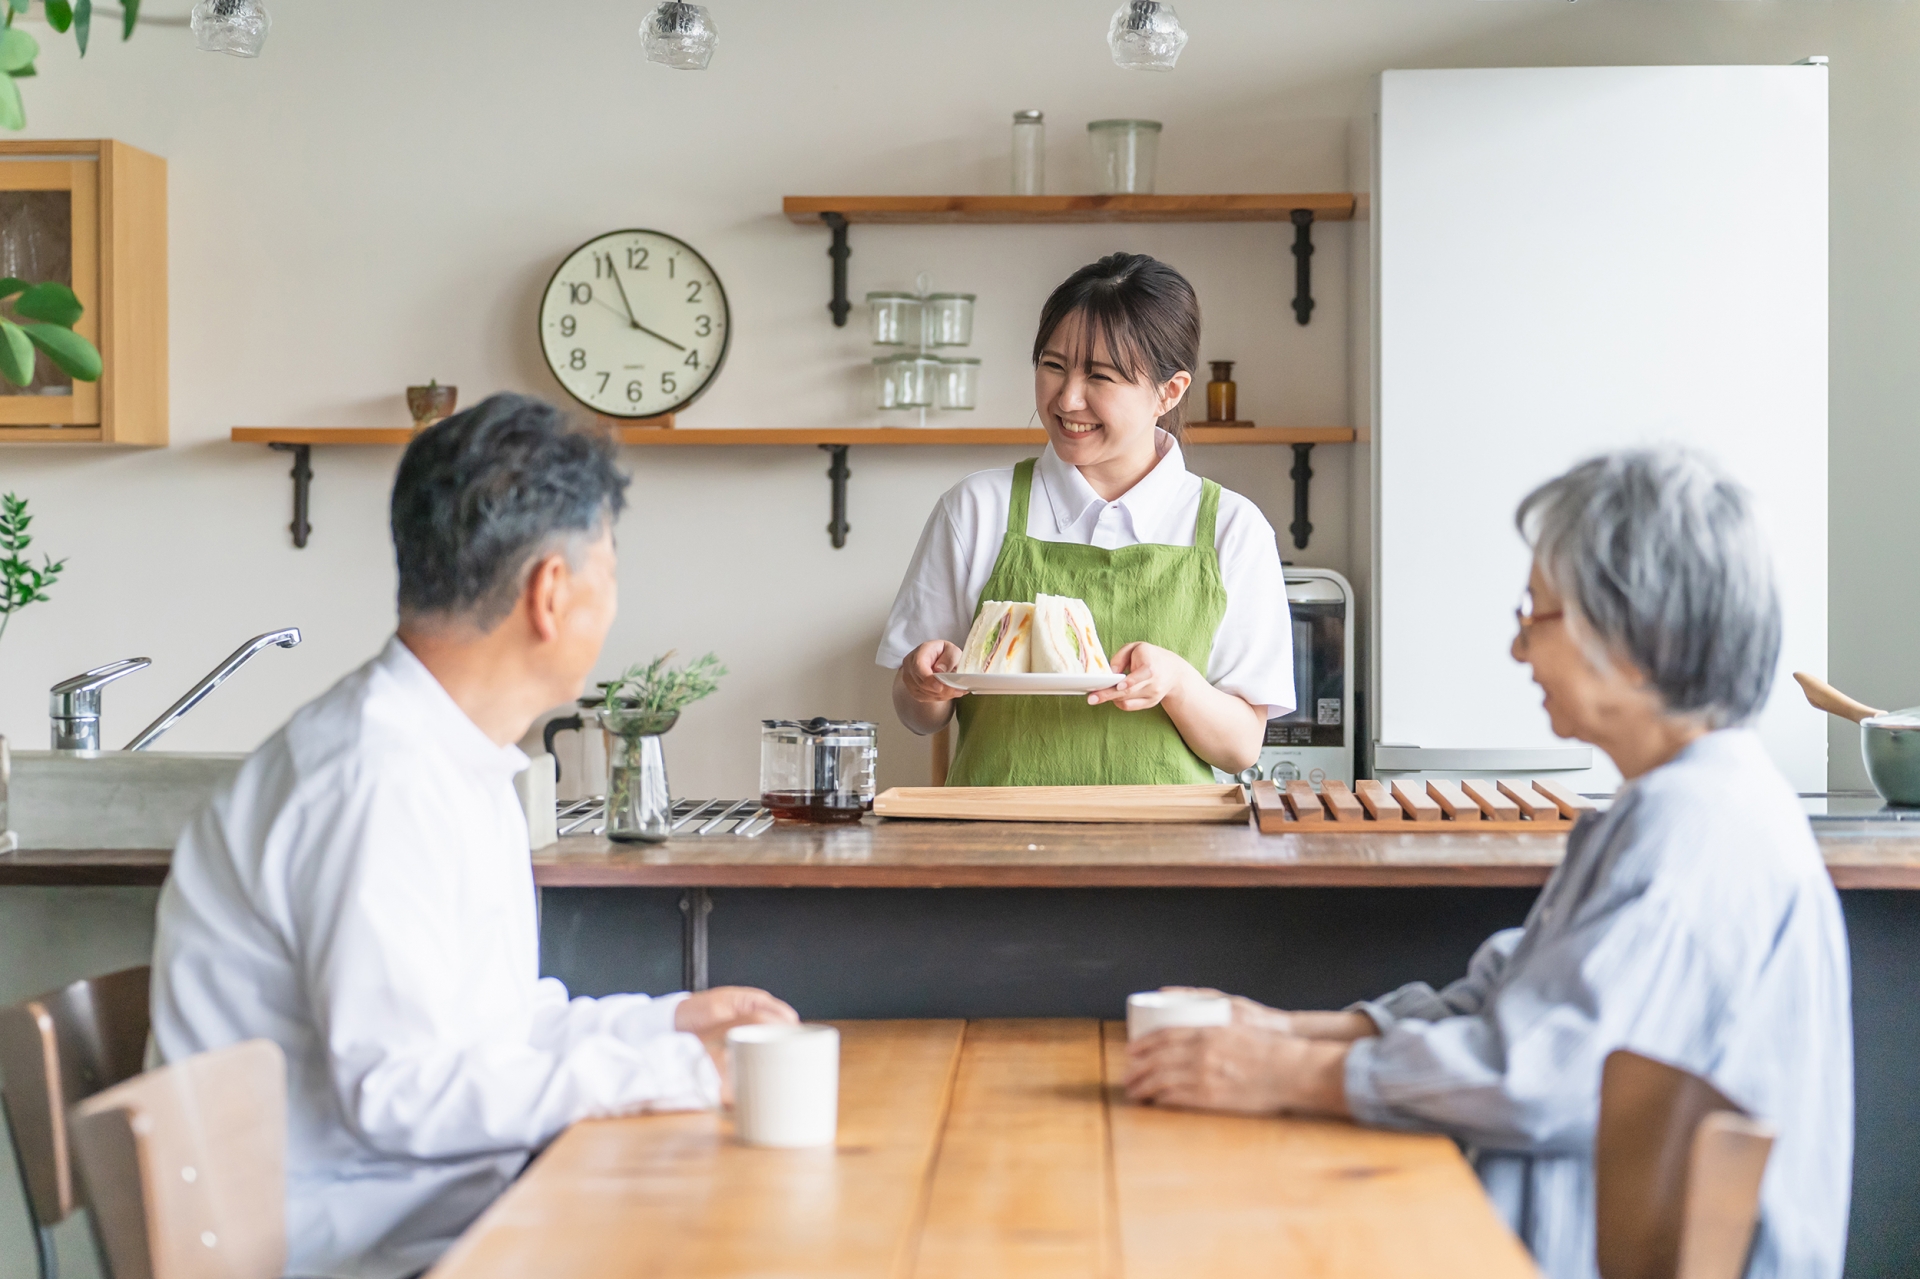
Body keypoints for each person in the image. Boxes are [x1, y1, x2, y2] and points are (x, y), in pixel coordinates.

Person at [1123, 450, 1852, 1279]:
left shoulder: (1697, 829)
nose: (1517, 647)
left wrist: (1286, 1071)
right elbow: (1508, 999)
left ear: (1643, 641)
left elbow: (1537, 1073)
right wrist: (1277, 1029)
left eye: (1537, 615)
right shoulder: (1671, 805)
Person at [150, 394, 796, 1279]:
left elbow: (489, 1032)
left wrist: (669, 1023)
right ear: (551, 593)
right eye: (608, 566)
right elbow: (398, 1093)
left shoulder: (449, 756)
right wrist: (677, 1072)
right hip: (347, 1253)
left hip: (433, 1223)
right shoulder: (378, 778)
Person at [878, 253, 1294, 785]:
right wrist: (923, 685)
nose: (1067, 398)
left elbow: (1240, 748)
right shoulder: (976, 508)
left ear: (1169, 392)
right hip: (995, 845)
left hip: (1167, 854)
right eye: (1053, 366)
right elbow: (917, 718)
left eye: (1100, 376)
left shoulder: (1232, 527)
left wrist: (1177, 683)